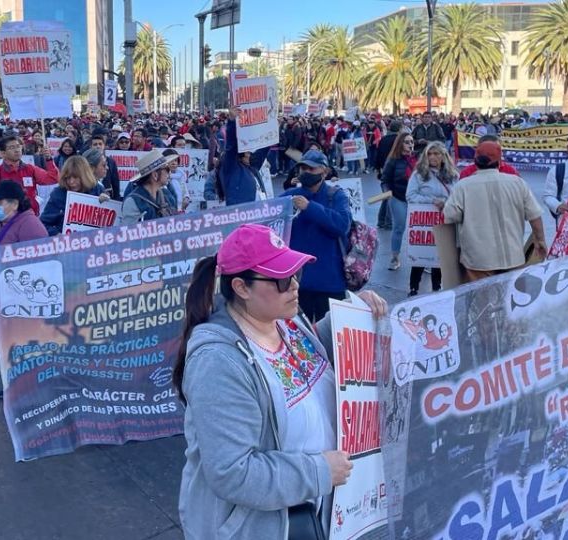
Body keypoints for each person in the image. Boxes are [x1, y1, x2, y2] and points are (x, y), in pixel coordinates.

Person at [173, 223, 387, 540]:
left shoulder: (285, 319)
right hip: (261, 528)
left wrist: (354, 312)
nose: (295, 287)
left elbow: (313, 354)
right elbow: (232, 473)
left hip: (314, 511)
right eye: (283, 279)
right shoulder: (218, 363)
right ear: (242, 288)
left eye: (296, 274)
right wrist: (319, 472)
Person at [443, 141, 546, 283]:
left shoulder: (463, 186)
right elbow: (534, 216)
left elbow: (449, 216)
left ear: (475, 160)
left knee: (482, 301)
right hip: (513, 256)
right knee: (510, 298)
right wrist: (540, 240)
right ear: (499, 161)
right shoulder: (517, 183)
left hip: (478, 260)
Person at [280, 150, 352, 322]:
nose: (305, 173)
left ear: (324, 171)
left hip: (330, 281)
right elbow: (266, 216)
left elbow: (342, 225)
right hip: (297, 283)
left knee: (330, 338)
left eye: (311, 169)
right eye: (302, 169)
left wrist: (309, 208)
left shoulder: (336, 195)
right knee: (298, 338)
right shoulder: (289, 196)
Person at [405, 141, 458, 296]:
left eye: (436, 154)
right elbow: (411, 195)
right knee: (421, 254)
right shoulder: (419, 174)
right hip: (423, 223)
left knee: (439, 254)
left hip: (444, 220)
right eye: (429, 154)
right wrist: (432, 201)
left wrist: (446, 203)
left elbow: (457, 197)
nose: (432, 157)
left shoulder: (453, 175)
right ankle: (413, 288)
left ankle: (437, 287)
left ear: (443, 156)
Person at [0, 135, 57, 216]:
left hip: (30, 217)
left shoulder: (30, 169)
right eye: (12, 147)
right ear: (2, 153)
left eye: (18, 146)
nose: (17, 150)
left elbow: (53, 178)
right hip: (8, 221)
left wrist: (49, 159)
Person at [40, 155, 110, 236]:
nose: (71, 182)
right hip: (67, 244)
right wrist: (56, 234)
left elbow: (110, 224)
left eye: (76, 177)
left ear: (85, 176)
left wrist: (106, 204)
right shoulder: (58, 194)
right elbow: (43, 224)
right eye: (68, 178)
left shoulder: (98, 190)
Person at [380, 132, 417, 271]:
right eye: (407, 142)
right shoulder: (393, 160)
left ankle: (423, 258)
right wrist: (386, 192)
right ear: (400, 143)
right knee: (399, 227)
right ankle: (395, 257)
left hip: (416, 199)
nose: (410, 145)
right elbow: (384, 180)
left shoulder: (418, 159)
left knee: (419, 228)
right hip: (398, 197)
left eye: (412, 142)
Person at [219, 111, 270, 206]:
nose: (249, 155)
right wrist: (232, 121)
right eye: (247, 152)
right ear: (240, 154)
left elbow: (263, 149)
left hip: (257, 212)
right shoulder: (231, 168)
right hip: (240, 213)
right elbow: (231, 146)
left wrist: (271, 127)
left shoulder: (252, 168)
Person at [120, 149, 175, 225]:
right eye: (167, 169)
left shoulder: (167, 195)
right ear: (155, 175)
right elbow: (128, 232)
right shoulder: (133, 201)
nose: (170, 173)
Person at [88, 134, 122, 201]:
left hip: (108, 198)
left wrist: (116, 199)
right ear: (90, 147)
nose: (98, 146)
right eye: (95, 144)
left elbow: (115, 183)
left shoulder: (111, 162)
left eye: (100, 144)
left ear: (104, 146)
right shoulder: (86, 160)